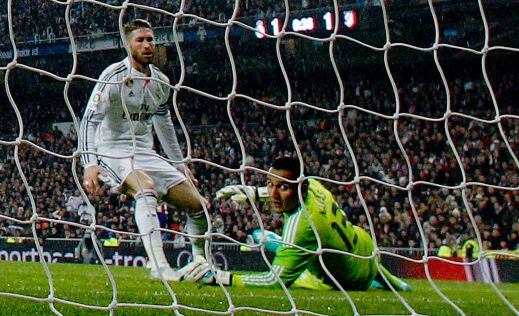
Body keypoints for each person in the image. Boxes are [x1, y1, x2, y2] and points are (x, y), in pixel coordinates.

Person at [79, 19, 208, 280]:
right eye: (140, 40)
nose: (147, 45)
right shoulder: (113, 76)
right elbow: (89, 120)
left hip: (146, 153)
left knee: (199, 206)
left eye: (150, 39)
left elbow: (164, 122)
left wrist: (178, 162)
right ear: (128, 45)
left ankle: (200, 263)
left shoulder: (161, 81)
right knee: (145, 188)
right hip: (112, 151)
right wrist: (89, 162)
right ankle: (159, 267)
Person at [181, 156, 412, 292]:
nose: (274, 193)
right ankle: (395, 283)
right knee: (283, 243)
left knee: (276, 248)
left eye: (282, 187)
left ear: (299, 188)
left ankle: (264, 242)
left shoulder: (302, 226)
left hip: (349, 281)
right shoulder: (314, 185)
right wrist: (253, 192)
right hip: (367, 248)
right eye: (270, 184)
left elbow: (274, 280)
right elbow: (283, 189)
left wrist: (224, 277)